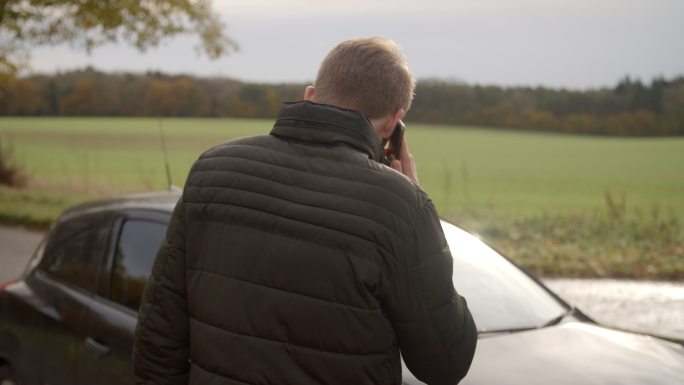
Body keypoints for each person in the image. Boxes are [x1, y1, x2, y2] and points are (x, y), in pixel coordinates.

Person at [134, 37, 477, 385]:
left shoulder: (212, 169)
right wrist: (413, 196)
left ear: (311, 95)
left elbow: (159, 328)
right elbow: (446, 363)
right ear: (394, 123)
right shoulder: (401, 205)